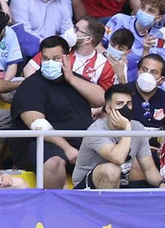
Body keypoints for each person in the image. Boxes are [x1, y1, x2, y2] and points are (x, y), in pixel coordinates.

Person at [8, 35, 105, 187]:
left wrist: (71, 79)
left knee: (110, 164)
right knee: (54, 162)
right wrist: (66, 148)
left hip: (81, 143)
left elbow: (101, 99)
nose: (50, 63)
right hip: (40, 144)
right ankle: (53, 208)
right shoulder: (30, 85)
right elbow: (37, 124)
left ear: (66, 58)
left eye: (56, 58)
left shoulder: (76, 80)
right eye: (45, 59)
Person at [72, 85, 165, 189]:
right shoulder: (96, 130)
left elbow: (150, 170)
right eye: (119, 104)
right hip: (85, 189)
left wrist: (163, 183)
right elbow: (118, 158)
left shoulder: (138, 127)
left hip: (119, 184)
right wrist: (127, 128)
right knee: (112, 170)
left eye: (129, 104)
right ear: (108, 109)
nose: (125, 108)